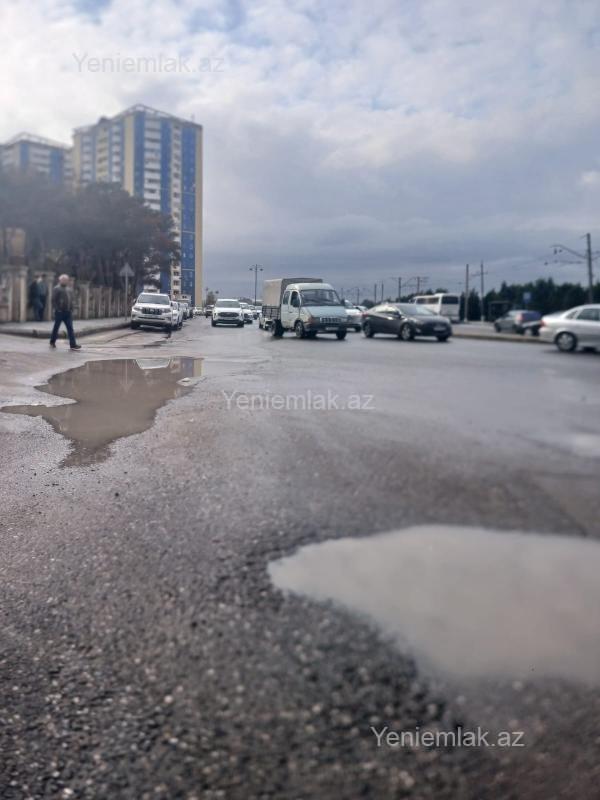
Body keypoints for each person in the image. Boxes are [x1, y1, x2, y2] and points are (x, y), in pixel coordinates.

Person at [50, 274, 81, 350]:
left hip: (68, 312)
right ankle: (52, 342)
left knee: (70, 328)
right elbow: (53, 300)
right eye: (63, 280)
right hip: (60, 312)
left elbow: (72, 300)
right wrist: (57, 309)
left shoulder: (69, 289)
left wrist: (72, 308)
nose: (65, 281)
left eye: (66, 280)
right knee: (56, 327)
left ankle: (73, 344)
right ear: (60, 280)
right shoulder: (57, 289)